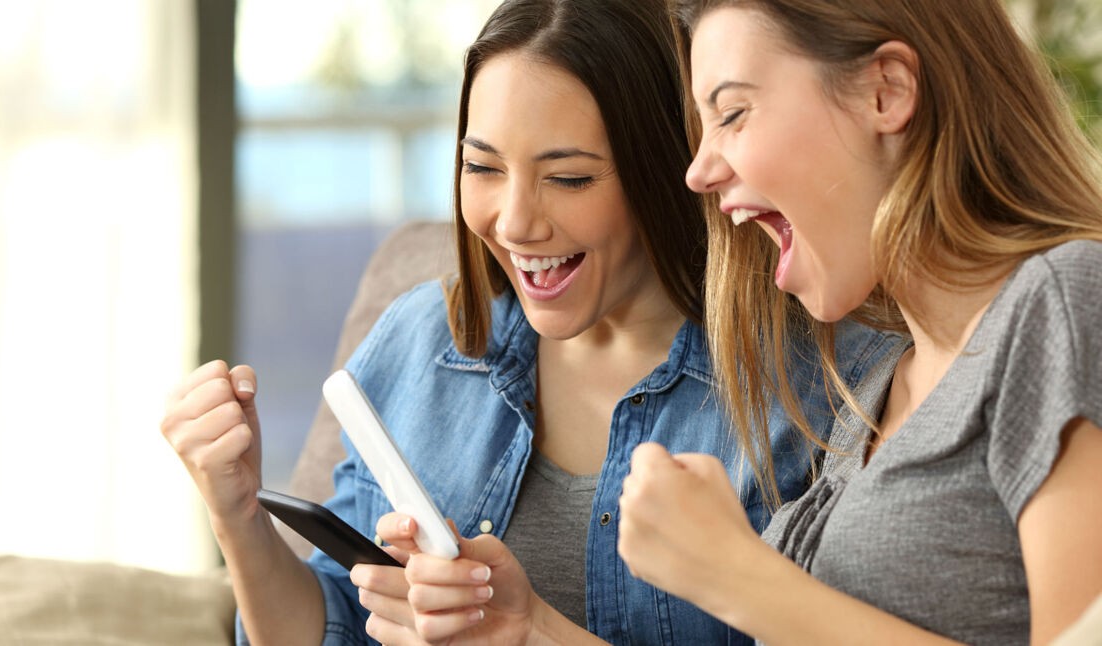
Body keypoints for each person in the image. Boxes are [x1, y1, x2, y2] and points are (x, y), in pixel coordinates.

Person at [161, 0, 893, 644]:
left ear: (672, 170)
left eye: (569, 177)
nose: (514, 223)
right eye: (482, 168)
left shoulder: (815, 389)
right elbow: (335, 629)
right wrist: (238, 516)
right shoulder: (423, 343)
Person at [617, 1, 1102, 644]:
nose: (698, 170)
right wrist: (528, 627)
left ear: (886, 91)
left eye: (732, 113)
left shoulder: (1062, 300)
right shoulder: (878, 389)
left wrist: (735, 576)